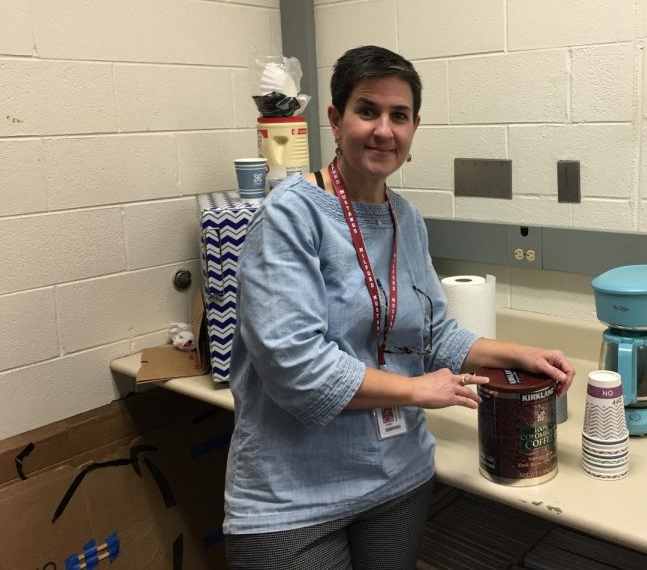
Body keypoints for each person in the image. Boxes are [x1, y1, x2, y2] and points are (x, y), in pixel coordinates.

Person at [223, 45, 576, 569]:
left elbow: (431, 336)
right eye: (367, 111)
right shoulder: (290, 216)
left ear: (414, 128)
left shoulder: (406, 219)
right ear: (336, 119)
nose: (384, 129)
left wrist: (516, 353)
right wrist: (415, 389)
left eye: (400, 115)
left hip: (397, 480)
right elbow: (295, 366)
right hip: (294, 496)